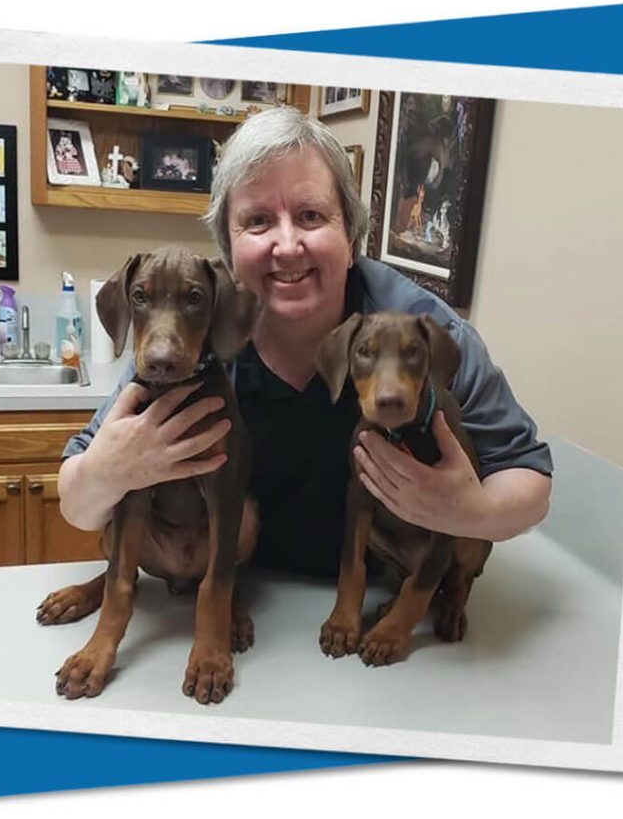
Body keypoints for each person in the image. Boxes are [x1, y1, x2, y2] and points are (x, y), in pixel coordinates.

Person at [59, 107, 552, 578]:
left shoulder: (423, 334)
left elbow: (528, 478)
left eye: (311, 215)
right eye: (257, 221)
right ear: (228, 250)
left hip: (374, 609)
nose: (288, 245)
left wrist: (472, 511)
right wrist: (108, 472)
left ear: (351, 234)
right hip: (244, 597)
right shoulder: (192, 336)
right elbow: (76, 503)